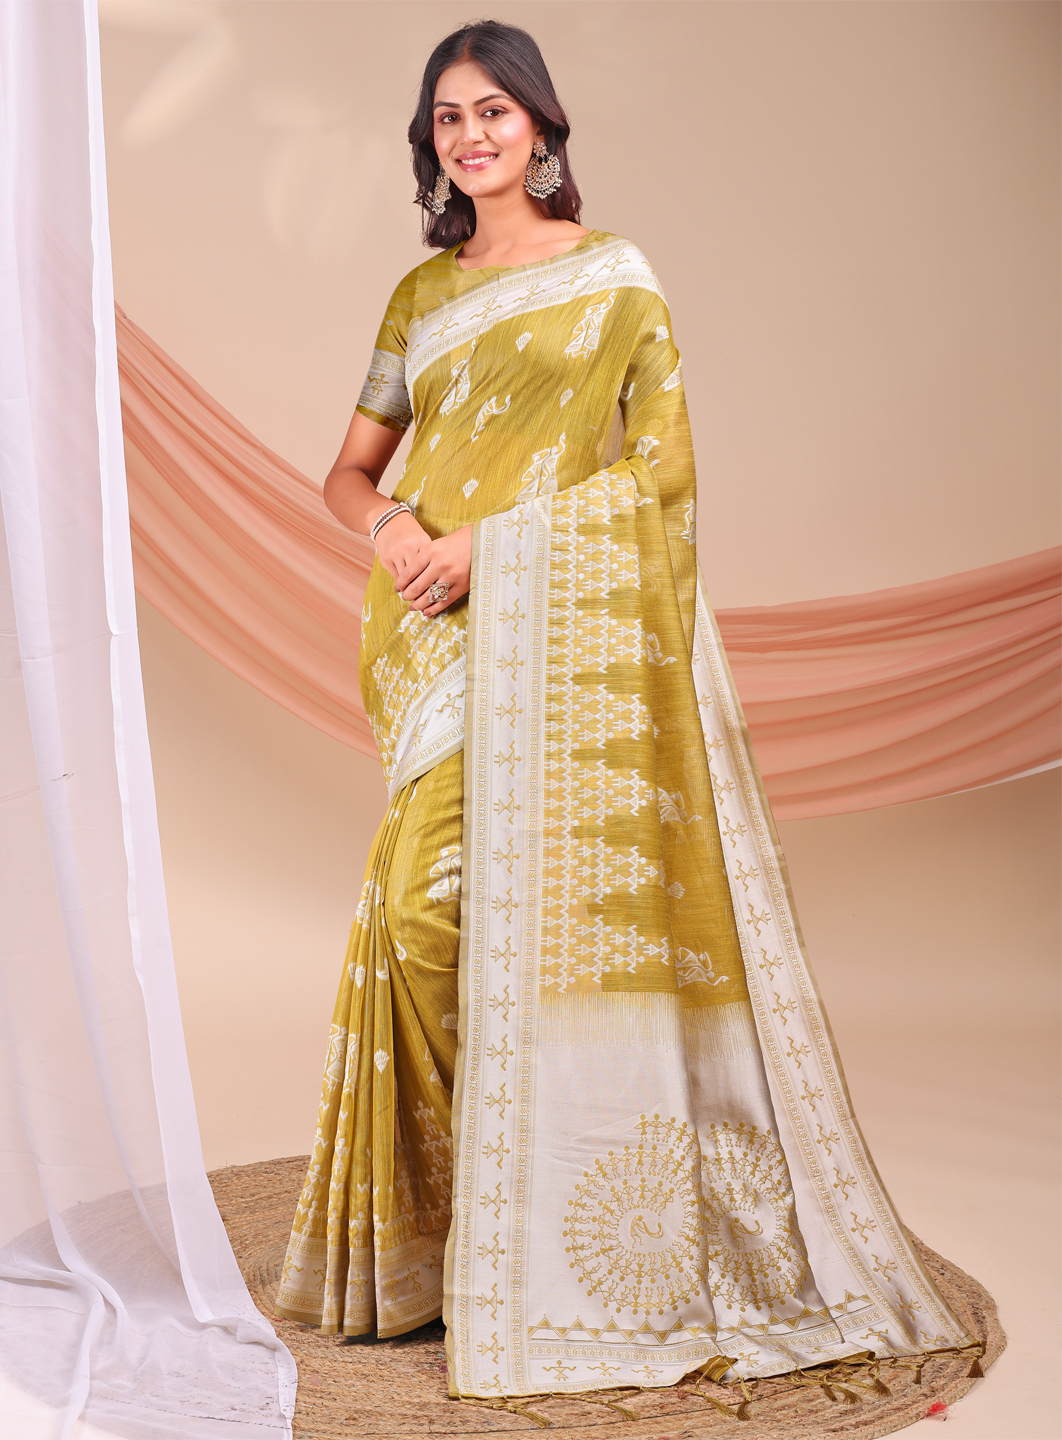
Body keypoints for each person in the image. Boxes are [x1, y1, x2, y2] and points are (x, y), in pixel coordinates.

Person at [275, 19, 974, 1402]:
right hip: (428, 639)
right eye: (448, 118)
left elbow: (659, 480)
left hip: (543, 622)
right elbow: (348, 472)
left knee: (500, 917)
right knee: (421, 919)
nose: (471, 136)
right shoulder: (420, 297)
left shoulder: (615, 280)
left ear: (541, 126)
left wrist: (492, 550)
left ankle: (527, 1219)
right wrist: (399, 532)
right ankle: (455, 1233)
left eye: (494, 111)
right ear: (431, 145)